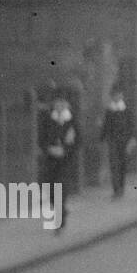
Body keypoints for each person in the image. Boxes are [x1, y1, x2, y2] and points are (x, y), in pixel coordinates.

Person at [39, 90, 78, 233]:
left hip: (65, 161)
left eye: (63, 103)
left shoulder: (72, 120)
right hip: (50, 160)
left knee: (60, 188)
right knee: (50, 189)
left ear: (67, 105)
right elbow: (41, 138)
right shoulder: (47, 119)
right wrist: (48, 149)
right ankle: (61, 210)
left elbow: (78, 141)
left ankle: (59, 221)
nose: (60, 106)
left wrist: (66, 150)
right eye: (57, 103)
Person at [99, 84, 137, 200]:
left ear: (122, 96)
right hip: (113, 141)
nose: (117, 97)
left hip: (125, 141)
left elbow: (132, 125)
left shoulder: (127, 110)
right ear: (112, 97)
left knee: (122, 165)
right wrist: (102, 138)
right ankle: (116, 190)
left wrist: (133, 138)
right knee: (114, 165)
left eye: (119, 95)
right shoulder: (109, 110)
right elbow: (105, 126)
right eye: (115, 95)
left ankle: (121, 188)